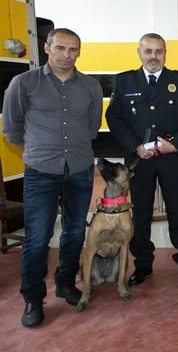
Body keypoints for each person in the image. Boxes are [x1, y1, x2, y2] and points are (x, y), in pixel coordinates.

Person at [3, 28, 103, 328]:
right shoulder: (23, 83)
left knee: (74, 232)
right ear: (47, 48)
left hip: (80, 169)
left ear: (79, 52)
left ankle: (65, 283)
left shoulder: (90, 87)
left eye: (73, 49)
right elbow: (11, 128)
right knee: (37, 238)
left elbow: (92, 127)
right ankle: (33, 299)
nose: (67, 55)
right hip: (40, 172)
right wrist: (35, 151)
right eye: (60, 48)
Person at [106, 33, 178, 286]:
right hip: (140, 159)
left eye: (159, 51)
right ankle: (143, 264)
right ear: (139, 52)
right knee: (142, 212)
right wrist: (134, 147)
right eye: (148, 51)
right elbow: (114, 118)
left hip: (172, 156)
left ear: (165, 53)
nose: (153, 57)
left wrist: (176, 144)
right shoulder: (124, 81)